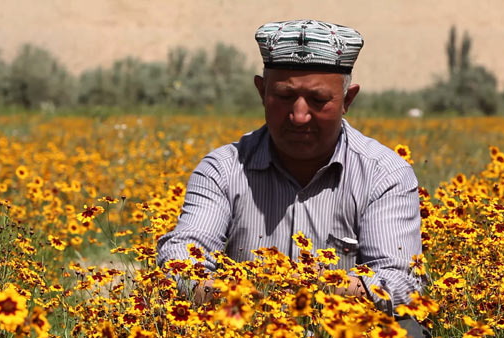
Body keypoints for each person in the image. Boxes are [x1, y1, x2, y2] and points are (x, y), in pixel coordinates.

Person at [158, 19, 428, 337]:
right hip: (245, 326)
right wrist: (246, 299)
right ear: (262, 92)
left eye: (318, 100)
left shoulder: (384, 174)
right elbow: (182, 257)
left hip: (345, 329)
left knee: (407, 330)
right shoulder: (223, 169)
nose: (299, 116)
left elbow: (402, 282)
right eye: (285, 97)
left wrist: (319, 292)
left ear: (348, 100)